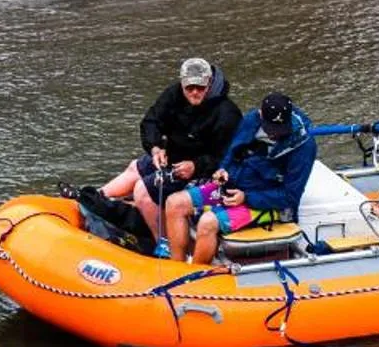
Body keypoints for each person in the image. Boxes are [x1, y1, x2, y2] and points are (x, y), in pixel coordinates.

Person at [99, 57, 241, 249]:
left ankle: (164, 242)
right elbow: (151, 121)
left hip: (204, 171)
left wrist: (196, 166)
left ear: (209, 83)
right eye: (189, 87)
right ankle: (94, 199)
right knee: (135, 167)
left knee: (143, 191)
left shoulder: (226, 114)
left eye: (200, 87)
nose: (194, 92)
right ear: (182, 84)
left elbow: (227, 157)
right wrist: (155, 147)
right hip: (175, 157)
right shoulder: (174, 95)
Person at [167, 91, 317, 265]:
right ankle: (176, 267)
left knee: (208, 223)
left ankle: (193, 277)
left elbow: (290, 196)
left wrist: (246, 197)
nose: (274, 135)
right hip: (233, 187)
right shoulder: (251, 120)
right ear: (260, 114)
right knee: (174, 203)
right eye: (270, 129)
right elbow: (233, 152)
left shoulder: (305, 147)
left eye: (279, 130)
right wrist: (223, 170)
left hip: (268, 203)